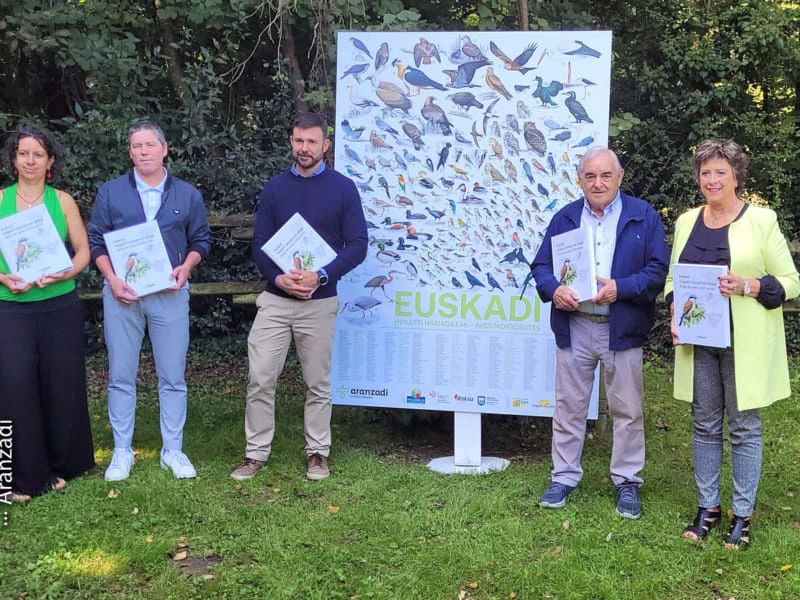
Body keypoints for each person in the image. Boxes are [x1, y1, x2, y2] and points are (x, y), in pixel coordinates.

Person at [667, 139, 799, 549]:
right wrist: (675, 312)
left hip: (745, 343)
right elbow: (675, 281)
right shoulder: (687, 221)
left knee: (743, 428)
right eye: (705, 172)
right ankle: (708, 508)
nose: (712, 179)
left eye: (720, 172)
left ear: (737, 176)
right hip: (699, 340)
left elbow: (792, 282)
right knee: (704, 424)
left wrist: (750, 285)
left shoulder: (762, 220)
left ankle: (743, 515)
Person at [530, 146, 669, 519]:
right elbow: (541, 266)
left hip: (622, 326)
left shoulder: (644, 217)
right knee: (569, 407)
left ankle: (627, 481)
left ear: (620, 177)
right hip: (576, 325)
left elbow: (658, 270)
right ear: (580, 180)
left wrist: (620, 289)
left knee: (627, 409)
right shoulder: (565, 218)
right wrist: (553, 289)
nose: (598, 182)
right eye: (590, 176)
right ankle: (564, 476)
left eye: (606, 175)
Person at [231, 112, 368, 482]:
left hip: (320, 302)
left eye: (311, 142)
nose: (303, 148)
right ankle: (255, 453)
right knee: (260, 377)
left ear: (325, 145)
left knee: (317, 383)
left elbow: (357, 245)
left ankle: (317, 453)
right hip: (276, 300)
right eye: (297, 141)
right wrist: (279, 278)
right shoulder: (275, 188)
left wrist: (321, 275)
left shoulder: (343, 189)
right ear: (291, 142)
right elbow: (260, 244)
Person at [87, 119, 210, 481]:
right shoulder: (111, 193)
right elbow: (96, 241)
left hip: (169, 295)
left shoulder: (187, 194)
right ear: (130, 152)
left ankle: (173, 450)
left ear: (164, 148)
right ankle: (121, 451)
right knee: (120, 375)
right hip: (122, 296)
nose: (143, 152)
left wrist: (187, 266)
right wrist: (111, 279)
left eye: (150, 145)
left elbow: (200, 240)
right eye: (137, 146)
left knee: (172, 376)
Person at [0, 125, 95, 501]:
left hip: (59, 303)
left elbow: (83, 252)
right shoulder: (0, 199)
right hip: (12, 305)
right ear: (13, 160)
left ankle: (64, 466)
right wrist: (4, 278)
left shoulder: (63, 201)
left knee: (62, 383)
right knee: (14, 384)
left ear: (50, 161)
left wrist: (66, 271)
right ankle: (17, 476)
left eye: (38, 154)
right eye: (23, 153)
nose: (30, 160)